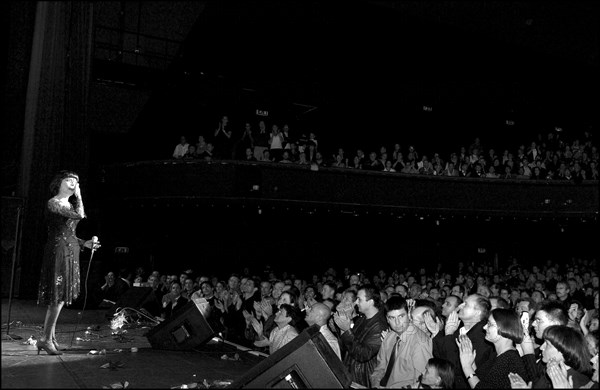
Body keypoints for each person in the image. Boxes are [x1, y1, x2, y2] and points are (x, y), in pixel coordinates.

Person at [37, 171, 100, 355]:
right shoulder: (54, 202)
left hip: (70, 249)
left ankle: (51, 337)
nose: (73, 183)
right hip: (59, 251)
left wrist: (85, 243)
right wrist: (79, 195)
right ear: (59, 183)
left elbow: (69, 232)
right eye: (69, 180)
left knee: (62, 297)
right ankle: (46, 339)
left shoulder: (67, 205)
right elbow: (80, 215)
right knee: (57, 297)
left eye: (76, 181)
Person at [370, 296, 433, 388]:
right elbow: (380, 368)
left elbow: (422, 381)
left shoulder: (420, 342)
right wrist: (375, 385)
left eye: (401, 316)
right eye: (392, 318)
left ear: (408, 315)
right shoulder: (389, 337)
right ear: (387, 319)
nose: (398, 322)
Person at [457, 308, 528, 388]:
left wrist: (467, 367)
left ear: (505, 328)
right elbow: (482, 379)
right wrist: (471, 363)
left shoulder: (508, 359)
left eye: (490, 324)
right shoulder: (497, 354)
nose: (484, 327)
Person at [334, 284, 388, 387]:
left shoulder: (380, 326)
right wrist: (343, 325)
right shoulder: (362, 319)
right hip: (351, 373)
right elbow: (346, 346)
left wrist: (346, 330)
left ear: (371, 302)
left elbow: (363, 354)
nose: (356, 302)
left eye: (359, 299)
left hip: (363, 378)